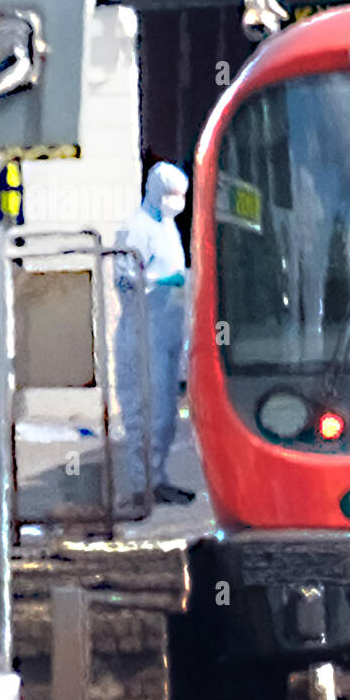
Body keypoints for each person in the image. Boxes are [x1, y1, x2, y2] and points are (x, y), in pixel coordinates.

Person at [117, 162, 195, 505]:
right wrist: (161, 283)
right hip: (144, 330)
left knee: (165, 413)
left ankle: (158, 479)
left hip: (167, 330)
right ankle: (141, 484)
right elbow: (125, 277)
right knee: (144, 409)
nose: (177, 201)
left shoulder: (167, 227)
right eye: (172, 195)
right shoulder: (137, 228)